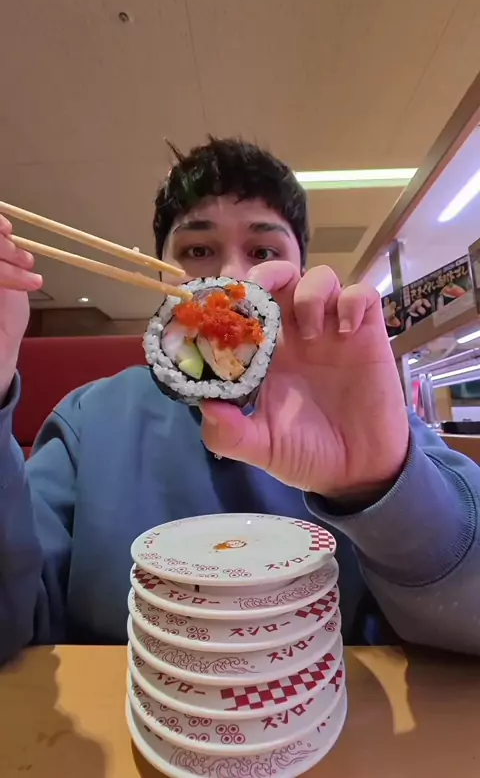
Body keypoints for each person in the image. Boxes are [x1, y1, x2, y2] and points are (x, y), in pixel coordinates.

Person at [0, 137, 479, 665]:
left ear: (299, 273)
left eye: (264, 253)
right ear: (160, 274)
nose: (231, 278)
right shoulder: (87, 420)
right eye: (197, 251)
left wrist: (378, 488)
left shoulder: (361, 409)